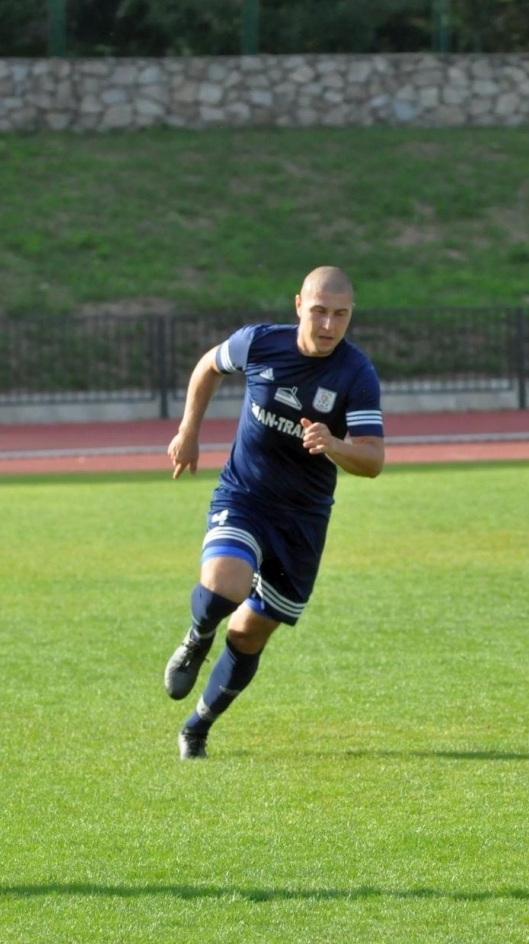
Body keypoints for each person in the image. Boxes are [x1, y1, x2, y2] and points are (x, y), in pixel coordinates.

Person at [163, 266, 385, 759]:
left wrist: (334, 445)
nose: (328, 325)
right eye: (319, 311)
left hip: (303, 519)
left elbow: (373, 460)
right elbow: (207, 366)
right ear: (298, 306)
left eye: (341, 315)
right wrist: (189, 432)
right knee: (224, 586)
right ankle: (197, 638)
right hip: (245, 496)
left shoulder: (356, 373)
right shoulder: (259, 343)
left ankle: (197, 728)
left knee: (247, 635)